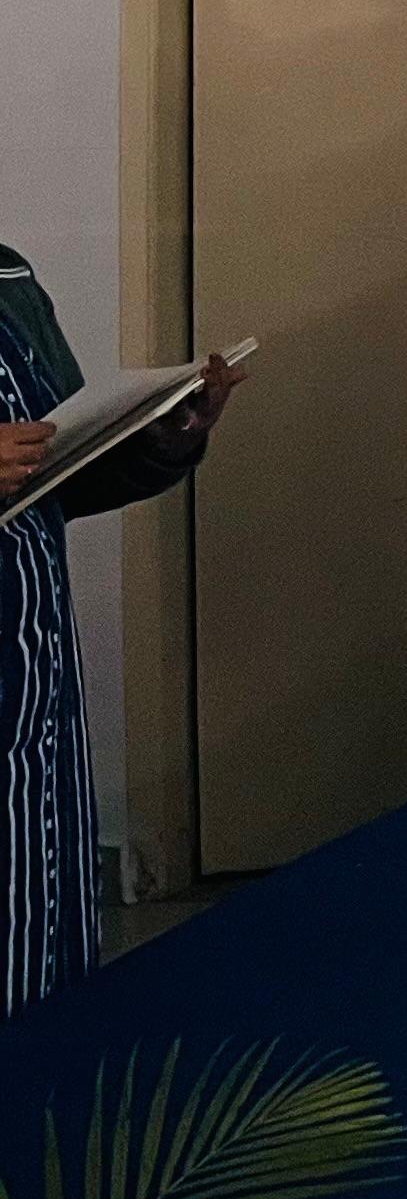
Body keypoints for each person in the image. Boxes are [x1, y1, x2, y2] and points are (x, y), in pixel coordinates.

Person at [0, 248, 239, 1010]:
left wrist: (161, 437)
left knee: (39, 932)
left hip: (32, 691)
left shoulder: (7, 280)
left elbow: (60, 472)